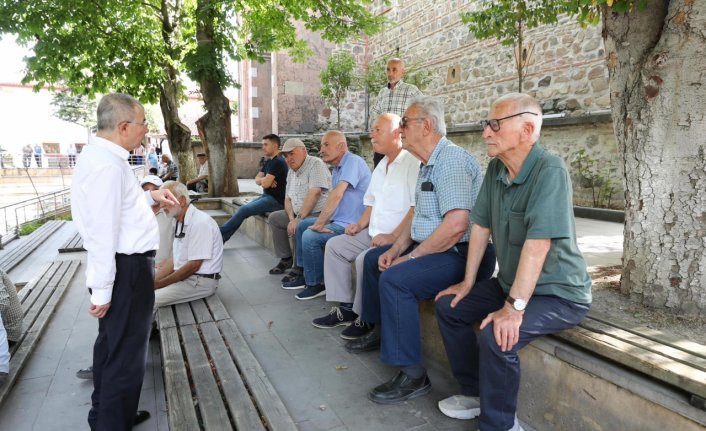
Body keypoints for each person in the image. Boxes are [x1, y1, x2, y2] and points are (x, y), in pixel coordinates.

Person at [434, 93, 592, 431]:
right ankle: (476, 393)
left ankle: (500, 424)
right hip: (512, 284)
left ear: (527, 129)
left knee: (498, 335)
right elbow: (480, 225)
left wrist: (514, 308)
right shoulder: (495, 168)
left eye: (494, 125)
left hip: (559, 294)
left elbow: (538, 245)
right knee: (450, 306)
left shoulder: (549, 170)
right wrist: (467, 281)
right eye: (486, 125)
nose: (486, 133)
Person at [350, 97, 496, 406]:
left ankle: (414, 375)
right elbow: (418, 216)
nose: (400, 129)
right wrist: (398, 247)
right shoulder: (428, 164)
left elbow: (456, 226)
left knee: (397, 279)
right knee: (378, 259)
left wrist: (411, 257)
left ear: (426, 126)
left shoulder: (451, 161)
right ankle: (384, 331)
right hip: (442, 249)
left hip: (463, 253)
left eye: (404, 123)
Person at [71, 92, 178, 430]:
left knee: (113, 347)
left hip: (124, 266)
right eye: (143, 123)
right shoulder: (106, 165)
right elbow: (103, 232)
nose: (146, 130)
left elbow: (118, 209)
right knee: (126, 356)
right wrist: (102, 292)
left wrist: (150, 196)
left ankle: (108, 414)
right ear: (123, 126)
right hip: (126, 268)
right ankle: (111, 422)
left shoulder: (105, 157)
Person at [311, 113, 419, 340]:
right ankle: (346, 308)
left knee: (363, 259)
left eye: (378, 130)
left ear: (396, 133)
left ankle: (364, 317)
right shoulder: (381, 166)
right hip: (371, 232)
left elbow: (414, 208)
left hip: (397, 238)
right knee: (335, 246)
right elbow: (371, 203)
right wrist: (358, 225)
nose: (372, 135)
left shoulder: (412, 162)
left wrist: (393, 236)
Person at [283, 131, 371, 301]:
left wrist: (320, 223)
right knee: (302, 225)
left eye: (326, 145)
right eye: (322, 145)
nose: (321, 149)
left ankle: (316, 284)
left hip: (352, 224)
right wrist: (320, 221)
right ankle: (304, 272)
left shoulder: (353, 161)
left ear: (341, 146)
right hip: (339, 220)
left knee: (310, 235)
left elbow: (337, 195)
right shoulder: (338, 169)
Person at [153, 180, 223, 311]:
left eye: (166, 199)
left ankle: (148, 331)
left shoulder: (200, 223)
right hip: (188, 278)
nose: (161, 205)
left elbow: (193, 266)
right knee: (143, 284)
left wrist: (160, 284)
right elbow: (175, 260)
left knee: (149, 299)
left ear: (182, 201)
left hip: (200, 282)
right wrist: (153, 281)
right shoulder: (178, 221)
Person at [268, 139, 331, 276]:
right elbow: (287, 198)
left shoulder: (315, 164)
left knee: (300, 225)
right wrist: (291, 218)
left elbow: (315, 193)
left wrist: (298, 219)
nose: (289, 158)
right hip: (298, 214)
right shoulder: (291, 171)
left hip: (318, 214)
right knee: (275, 218)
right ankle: (286, 258)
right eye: (286, 156)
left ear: (304, 151)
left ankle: (300, 266)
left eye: (292, 153)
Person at [220, 134, 288, 242]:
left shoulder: (278, 162)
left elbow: (265, 184)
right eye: (263, 145)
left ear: (275, 146)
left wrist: (265, 181)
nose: (263, 147)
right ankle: (222, 236)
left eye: (266, 144)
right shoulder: (269, 162)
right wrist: (265, 179)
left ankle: (220, 235)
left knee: (243, 210)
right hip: (267, 196)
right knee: (243, 209)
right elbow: (256, 179)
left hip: (276, 201)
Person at [369, 58, 423, 165]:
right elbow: (374, 116)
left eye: (394, 70)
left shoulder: (411, 90)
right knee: (381, 176)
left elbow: (424, 111)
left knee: (401, 177)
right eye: (388, 70)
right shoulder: (382, 93)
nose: (390, 73)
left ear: (403, 71)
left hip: (402, 145)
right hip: (383, 145)